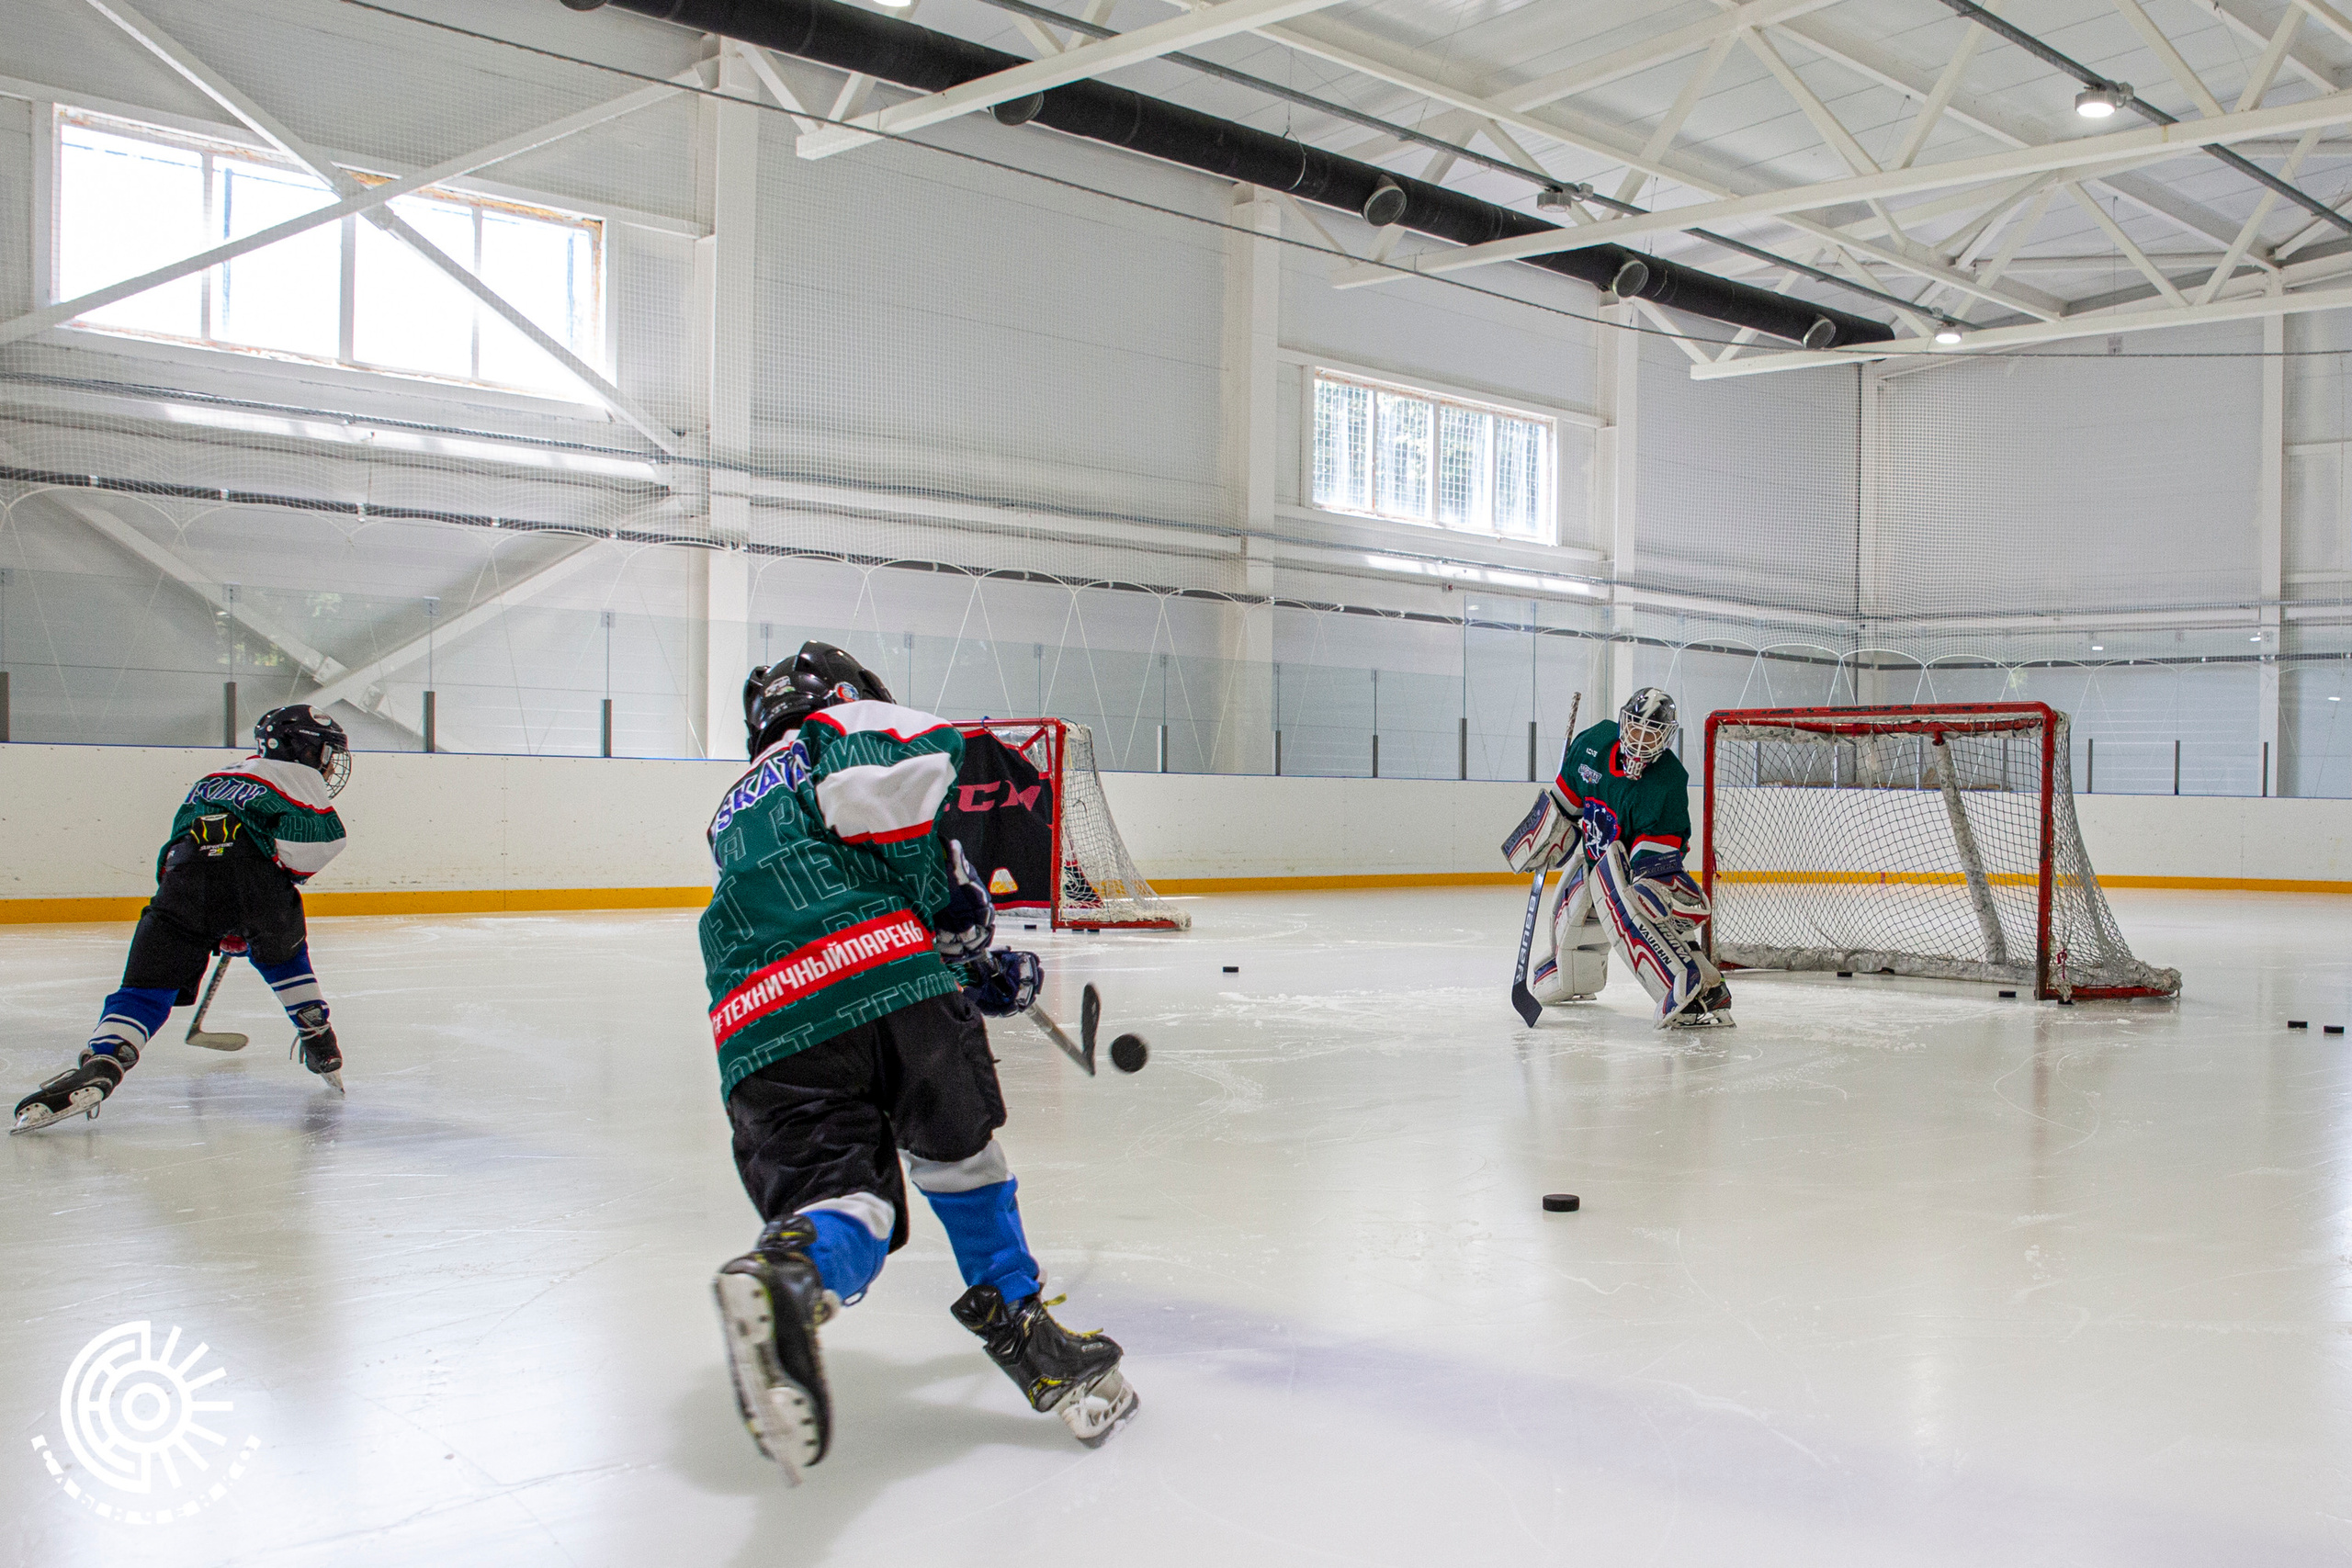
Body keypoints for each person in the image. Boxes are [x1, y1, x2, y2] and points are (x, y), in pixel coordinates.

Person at [703, 640, 1137, 1483]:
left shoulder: (731, 807)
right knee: (963, 1158)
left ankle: (790, 1274)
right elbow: (921, 788)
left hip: (757, 1022)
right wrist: (965, 927)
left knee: (843, 1199)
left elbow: (818, 883)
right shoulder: (841, 728)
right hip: (885, 978)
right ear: (843, 692)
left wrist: (964, 957)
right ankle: (1029, 1336)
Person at [12, 705, 354, 1134]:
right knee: (282, 951)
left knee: (146, 986)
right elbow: (318, 843)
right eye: (323, 751)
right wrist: (260, 895)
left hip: (183, 879)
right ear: (299, 748)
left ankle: (107, 1059)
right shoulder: (295, 776)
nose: (326, 763)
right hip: (255, 880)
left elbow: (175, 847)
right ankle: (317, 1033)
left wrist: (202, 910)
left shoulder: (213, 778)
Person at [1501, 687, 1733, 1030]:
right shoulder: (1593, 744)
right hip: (1591, 863)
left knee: (1632, 899)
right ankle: (1573, 981)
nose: (1640, 740)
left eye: (1651, 733)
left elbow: (1651, 866)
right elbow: (1566, 806)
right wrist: (1548, 832)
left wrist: (1655, 891)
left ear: (1666, 738)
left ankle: (1692, 985)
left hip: (1623, 874)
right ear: (1624, 722)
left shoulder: (1666, 782)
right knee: (1570, 924)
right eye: (1636, 727)